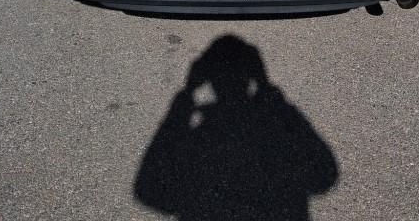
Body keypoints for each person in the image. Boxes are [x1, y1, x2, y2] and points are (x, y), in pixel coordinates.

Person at [135, 35, 338, 221]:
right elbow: (323, 175)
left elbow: (149, 189)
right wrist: (267, 89)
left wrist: (187, 96)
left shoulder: (201, 132)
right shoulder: (265, 126)